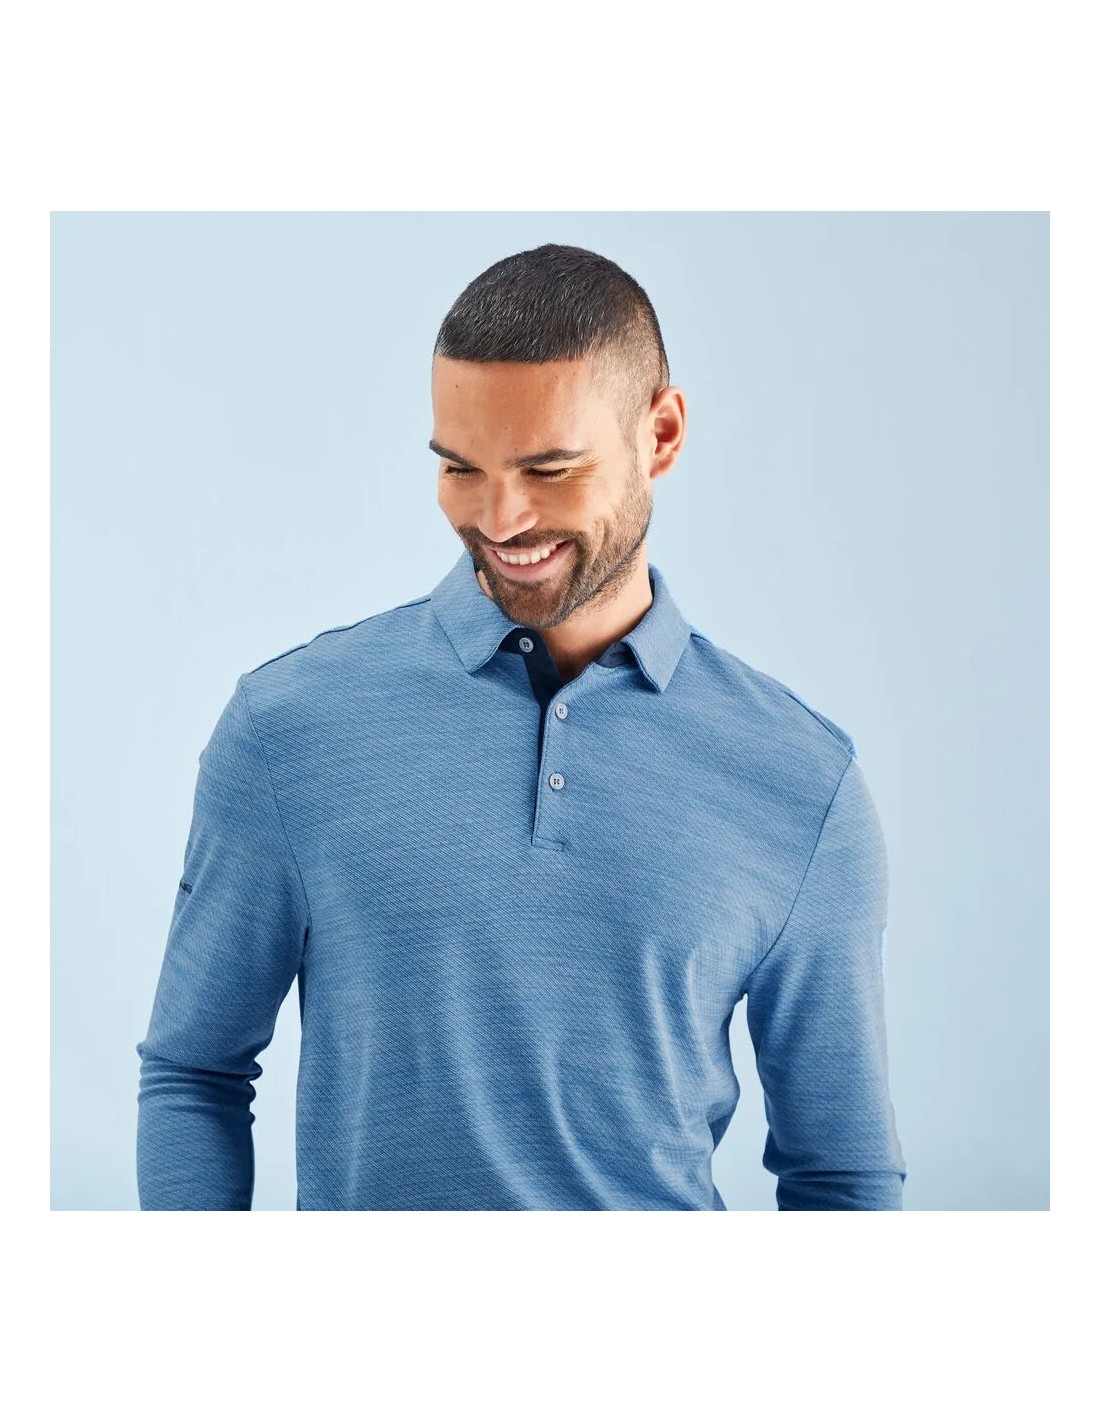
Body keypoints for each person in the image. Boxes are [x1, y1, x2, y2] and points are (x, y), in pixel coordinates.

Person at [135, 242, 907, 1211]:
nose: (500, 520)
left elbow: (840, 1174)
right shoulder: (288, 730)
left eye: (549, 468)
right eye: (460, 467)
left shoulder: (801, 782)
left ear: (661, 434)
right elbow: (194, 1072)